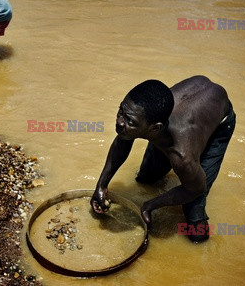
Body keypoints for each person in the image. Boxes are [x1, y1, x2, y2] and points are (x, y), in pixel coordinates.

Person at [90, 75, 236, 243]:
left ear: (155, 128)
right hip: (192, 98)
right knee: (145, 179)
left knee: (195, 226)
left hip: (220, 122)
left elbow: (196, 188)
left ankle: (201, 242)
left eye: (129, 120)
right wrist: (101, 185)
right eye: (121, 111)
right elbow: (123, 139)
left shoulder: (182, 156)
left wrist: (149, 205)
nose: (119, 121)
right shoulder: (142, 116)